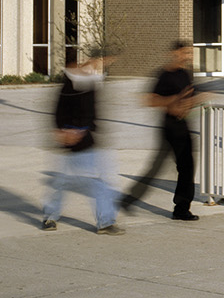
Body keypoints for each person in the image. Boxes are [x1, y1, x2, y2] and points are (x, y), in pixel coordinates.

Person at [121, 40, 209, 221]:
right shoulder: (164, 75)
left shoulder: (186, 74)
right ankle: (177, 209)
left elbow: (191, 96)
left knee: (184, 168)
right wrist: (173, 102)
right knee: (171, 168)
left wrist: (195, 100)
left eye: (190, 53)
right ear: (175, 53)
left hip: (183, 125)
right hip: (170, 127)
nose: (188, 57)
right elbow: (149, 100)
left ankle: (180, 208)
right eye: (185, 53)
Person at [42, 52, 123, 235]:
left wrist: (88, 129)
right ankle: (50, 217)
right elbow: (58, 111)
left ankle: (105, 222)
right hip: (67, 142)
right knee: (61, 183)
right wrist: (62, 131)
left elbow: (92, 112)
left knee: (97, 181)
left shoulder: (91, 83)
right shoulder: (69, 84)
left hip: (86, 139)